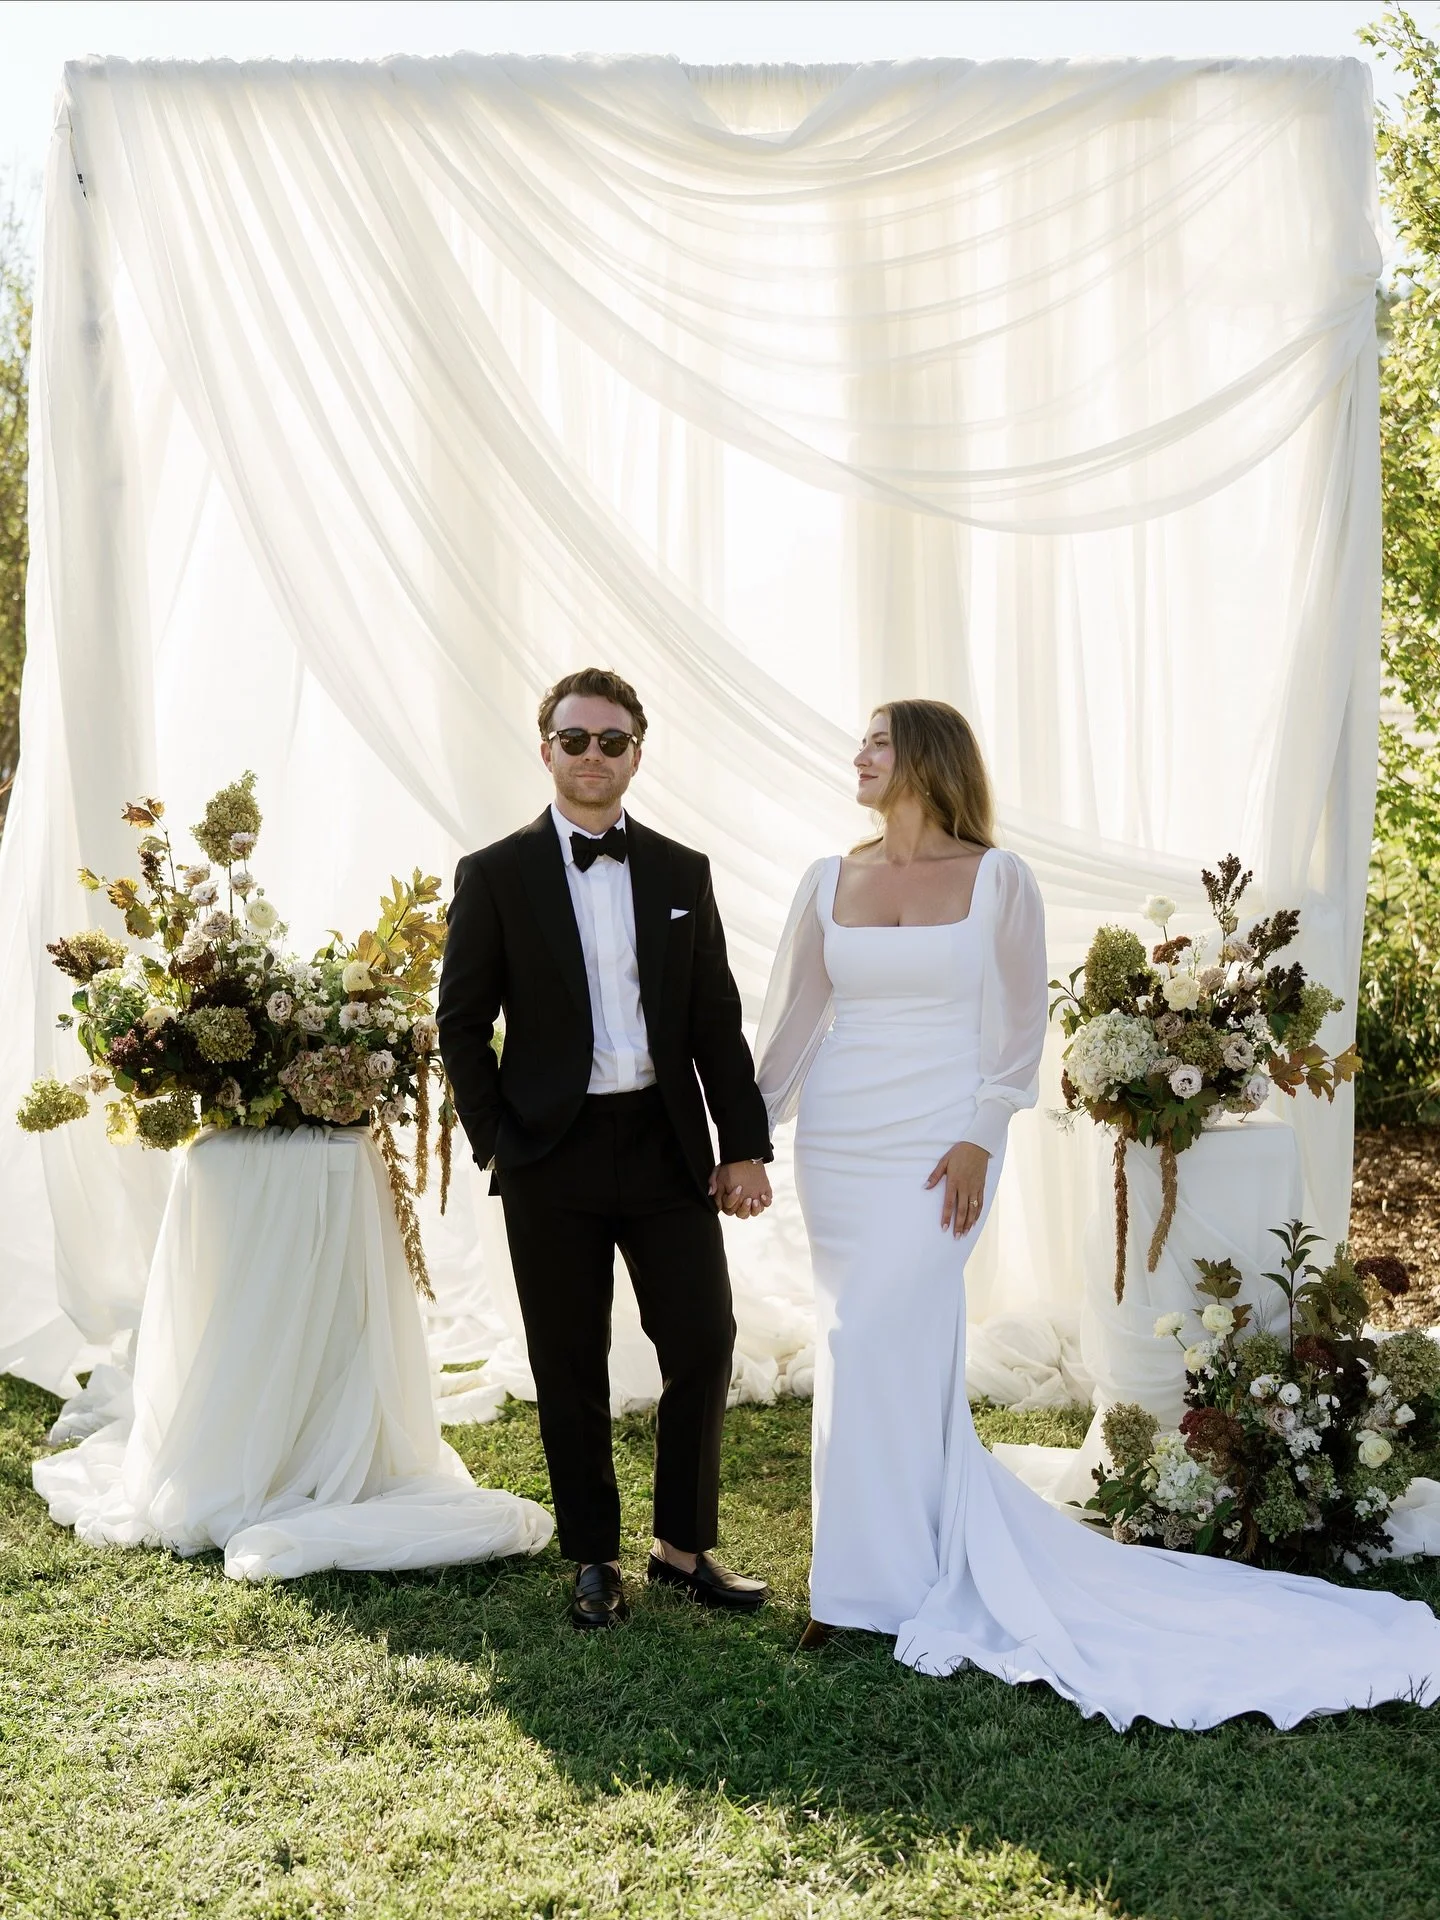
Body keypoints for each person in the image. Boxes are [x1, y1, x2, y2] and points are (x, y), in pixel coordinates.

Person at [753, 697, 1440, 1728]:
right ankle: (868, 1575)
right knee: (864, 1347)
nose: (858, 755)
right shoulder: (826, 880)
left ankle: (876, 1582)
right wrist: (745, 1136)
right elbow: (797, 1027)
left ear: (927, 761)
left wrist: (984, 1132)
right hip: (842, 1148)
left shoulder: (997, 879)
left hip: (943, 1147)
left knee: (876, 1329)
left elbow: (1019, 1027)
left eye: (878, 741)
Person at [438, 667, 773, 1630]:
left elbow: (716, 1020)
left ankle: (680, 1546)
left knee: (704, 1340)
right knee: (568, 1359)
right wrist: (499, 1138)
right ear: (546, 750)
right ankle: (593, 1556)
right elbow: (461, 1022)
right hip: (553, 1150)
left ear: (637, 751)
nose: (594, 756)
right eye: (575, 739)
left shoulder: (681, 871)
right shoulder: (495, 873)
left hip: (667, 1147)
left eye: (612, 740)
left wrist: (741, 1144)